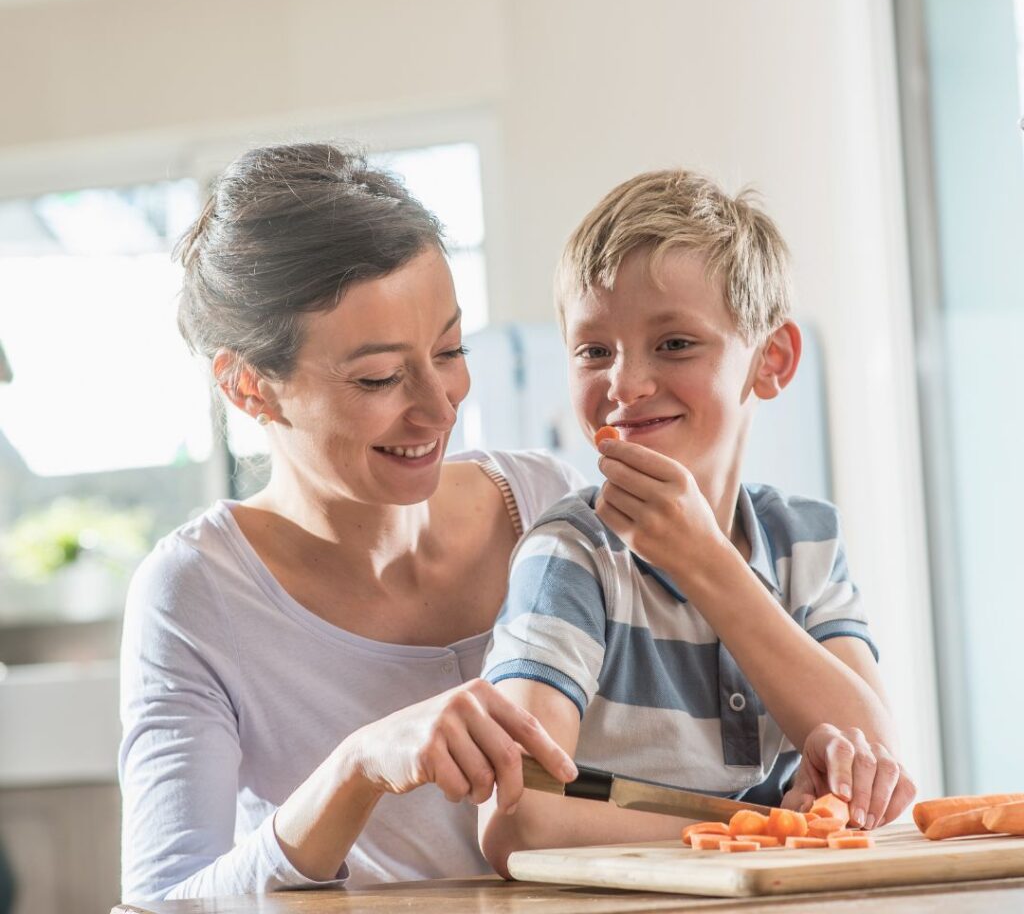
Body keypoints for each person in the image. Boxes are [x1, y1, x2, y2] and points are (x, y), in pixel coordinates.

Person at [118, 142, 583, 902]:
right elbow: (163, 905)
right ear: (248, 388)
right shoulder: (196, 592)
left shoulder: (542, 503)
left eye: (451, 349)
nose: (440, 407)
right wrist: (355, 767)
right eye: (379, 377)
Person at [478, 169, 916, 874]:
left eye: (675, 343)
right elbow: (515, 813)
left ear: (770, 361)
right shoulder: (570, 555)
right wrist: (763, 829)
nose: (625, 384)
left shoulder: (806, 539)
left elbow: (878, 766)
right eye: (594, 350)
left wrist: (706, 564)